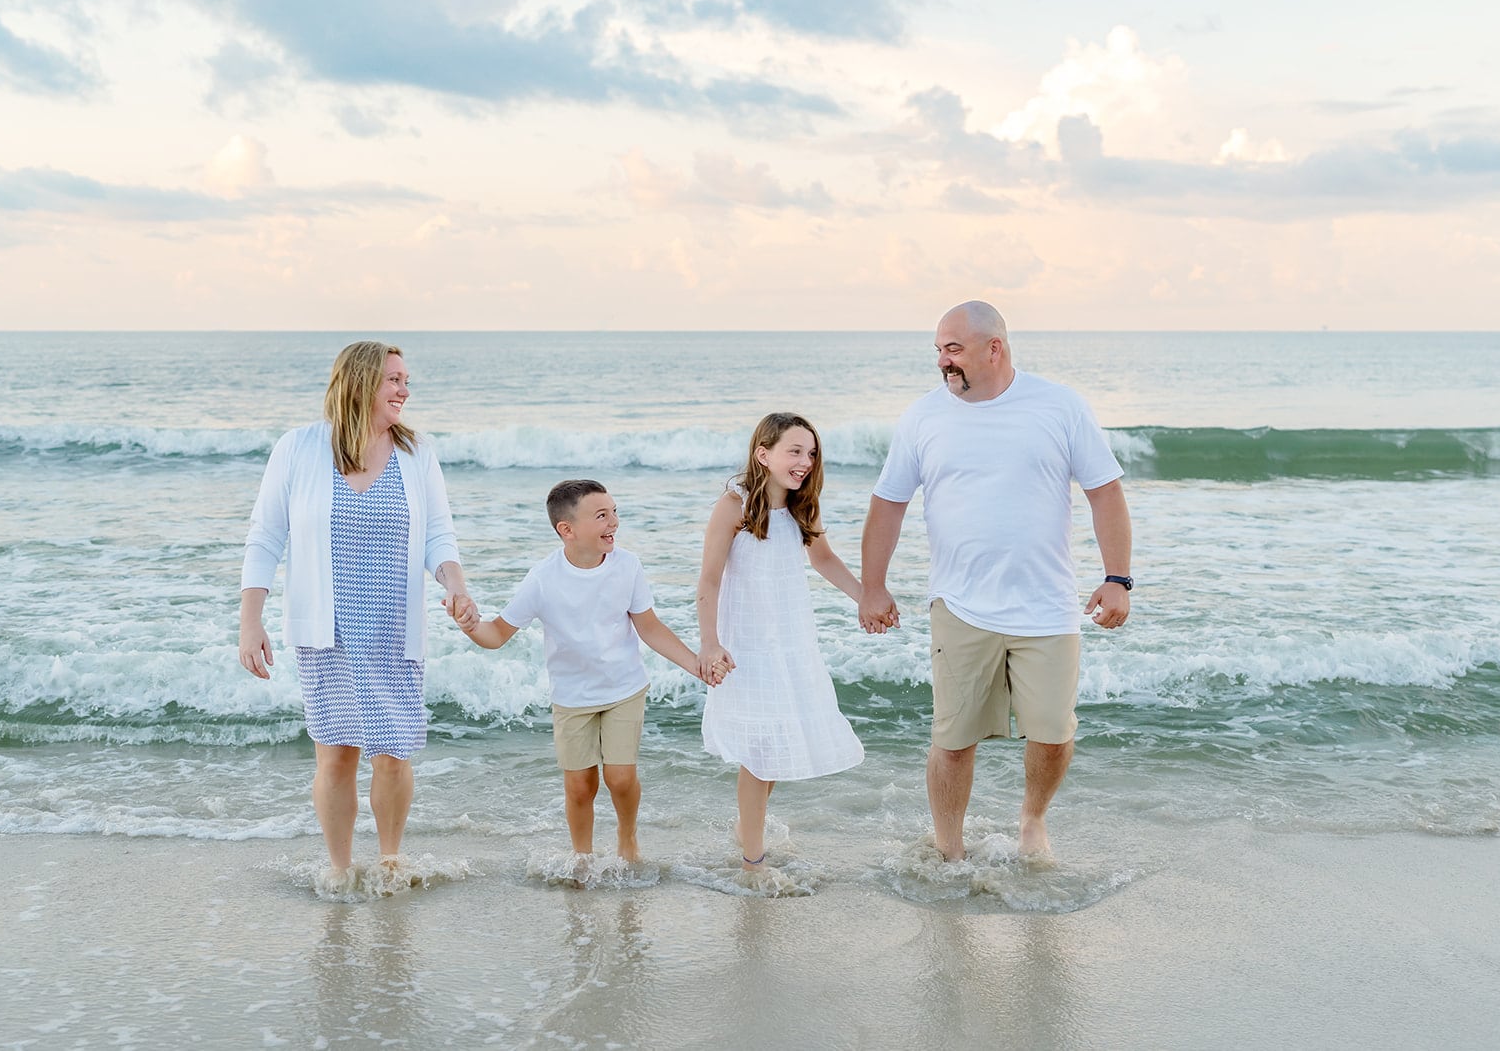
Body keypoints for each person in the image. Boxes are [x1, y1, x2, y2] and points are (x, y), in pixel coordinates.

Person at [859, 301, 1133, 861]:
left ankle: (1033, 819)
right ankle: (950, 850)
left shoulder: (1059, 406)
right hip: (960, 604)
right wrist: (873, 587)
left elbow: (1105, 492)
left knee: (1053, 734)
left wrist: (1117, 579)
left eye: (953, 349)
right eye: (938, 350)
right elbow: (888, 504)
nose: (942, 361)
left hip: (1047, 606)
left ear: (994, 348)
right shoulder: (922, 417)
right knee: (953, 740)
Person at [238, 341, 476, 887]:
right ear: (362, 382)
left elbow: (439, 535)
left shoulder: (417, 453)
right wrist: (250, 622)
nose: (405, 390)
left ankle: (390, 864)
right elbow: (265, 537)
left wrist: (456, 586)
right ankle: (340, 870)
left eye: (406, 380)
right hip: (327, 631)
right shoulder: (298, 448)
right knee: (337, 755)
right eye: (394, 380)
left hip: (393, 629)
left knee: (393, 752)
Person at [456, 479, 710, 864]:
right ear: (567, 529)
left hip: (624, 687)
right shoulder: (543, 579)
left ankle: (627, 836)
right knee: (579, 785)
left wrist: (695, 664)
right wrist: (471, 625)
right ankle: (583, 858)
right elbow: (497, 635)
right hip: (572, 696)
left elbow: (650, 627)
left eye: (614, 512)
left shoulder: (627, 566)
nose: (614, 522)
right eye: (602, 515)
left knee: (620, 778)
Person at [697, 413, 866, 872]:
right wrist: (710, 644)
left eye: (811, 453)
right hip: (746, 646)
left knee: (774, 749)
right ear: (763, 454)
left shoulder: (801, 505)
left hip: (790, 642)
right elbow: (709, 579)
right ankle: (752, 861)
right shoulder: (733, 506)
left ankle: (746, 829)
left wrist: (865, 597)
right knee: (759, 753)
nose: (805, 462)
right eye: (794, 451)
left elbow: (824, 559)